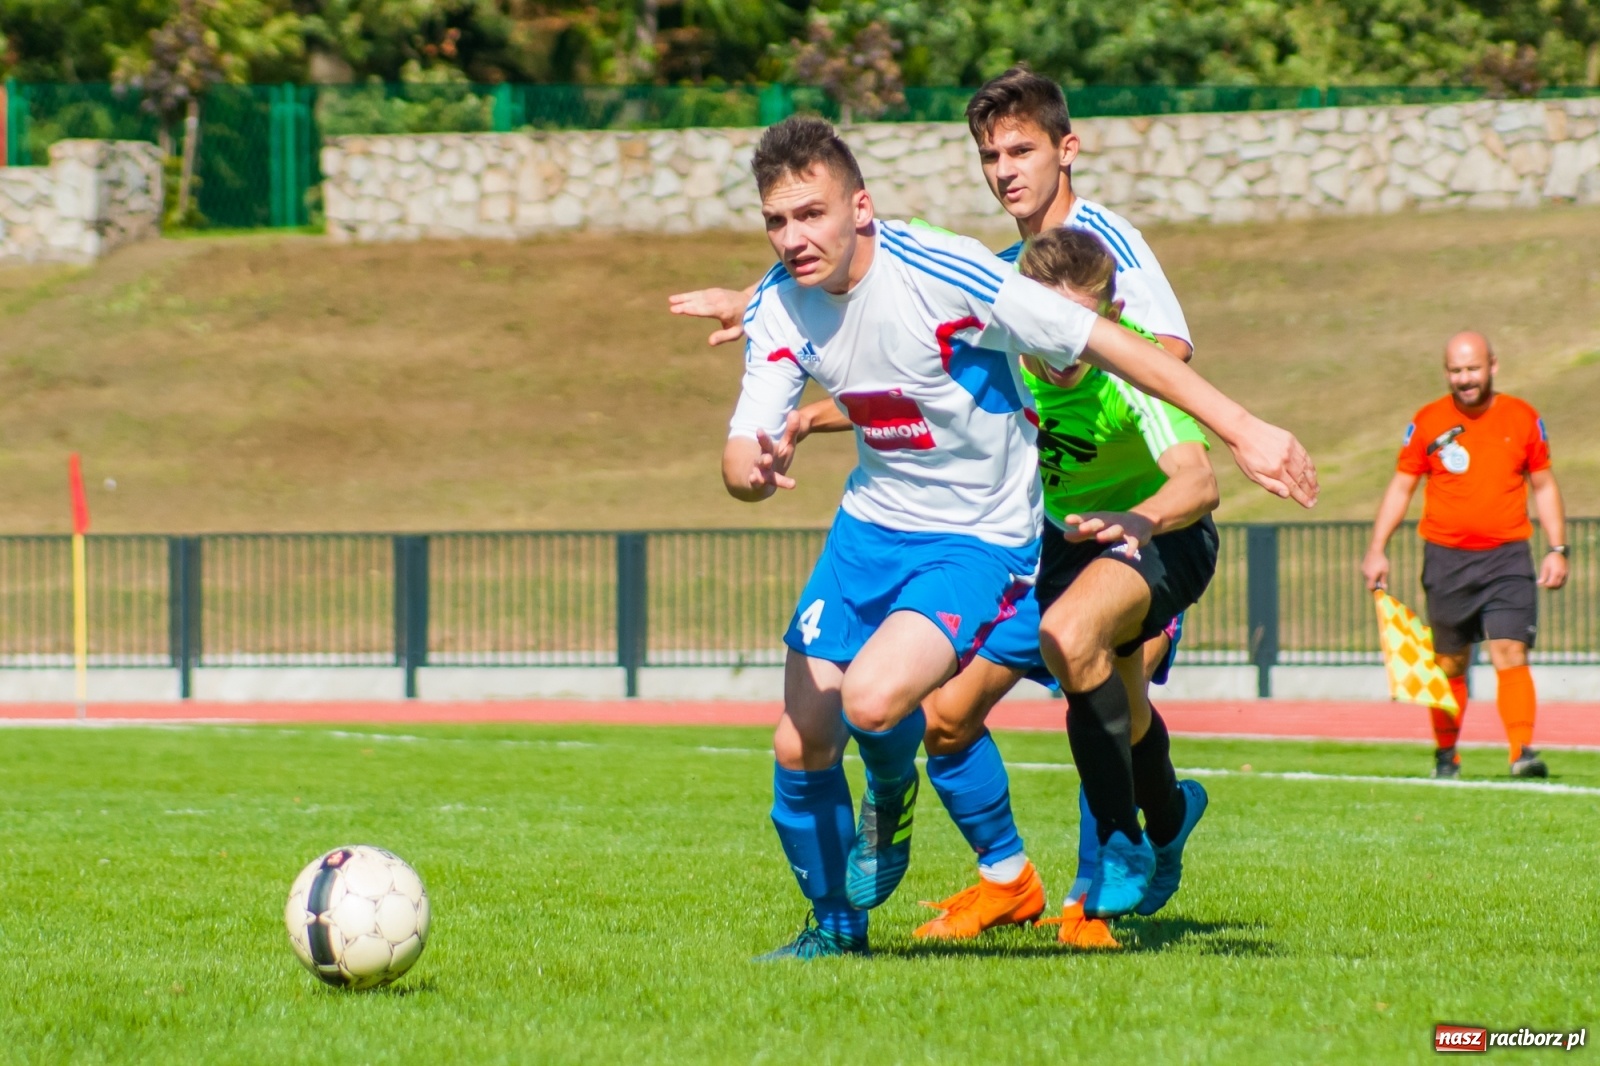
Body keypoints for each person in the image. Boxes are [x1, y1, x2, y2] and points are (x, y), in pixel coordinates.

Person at [708, 114, 1315, 960]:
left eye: (811, 214)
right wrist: (754, 465)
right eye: (777, 221)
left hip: (990, 535)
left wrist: (1244, 427)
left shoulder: (952, 270)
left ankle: (1068, 847)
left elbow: (1116, 343)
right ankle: (848, 926)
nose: (792, 236)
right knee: (813, 736)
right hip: (876, 527)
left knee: (892, 698)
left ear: (863, 208)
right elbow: (764, 431)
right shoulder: (780, 301)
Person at [779, 227, 1217, 949]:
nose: (1060, 346)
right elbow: (917, 391)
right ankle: (1012, 880)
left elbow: (1199, 482)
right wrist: (809, 415)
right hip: (1044, 548)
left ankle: (1129, 850)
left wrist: (1136, 518)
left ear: (1106, 317)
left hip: (1153, 537)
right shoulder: (1011, 349)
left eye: (1076, 328)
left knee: (1085, 657)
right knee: (947, 714)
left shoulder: (1131, 369)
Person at [1362, 331, 1567, 779]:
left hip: (1508, 558)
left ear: (1493, 364)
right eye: (1456, 370)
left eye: (1472, 368)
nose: (1465, 379)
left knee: (1510, 651)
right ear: (1446, 372)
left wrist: (1557, 548)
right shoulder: (1429, 421)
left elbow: (1545, 485)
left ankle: (1521, 753)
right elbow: (1402, 486)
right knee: (1450, 662)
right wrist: (1377, 549)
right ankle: (1446, 754)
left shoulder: (1522, 417)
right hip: (1446, 559)